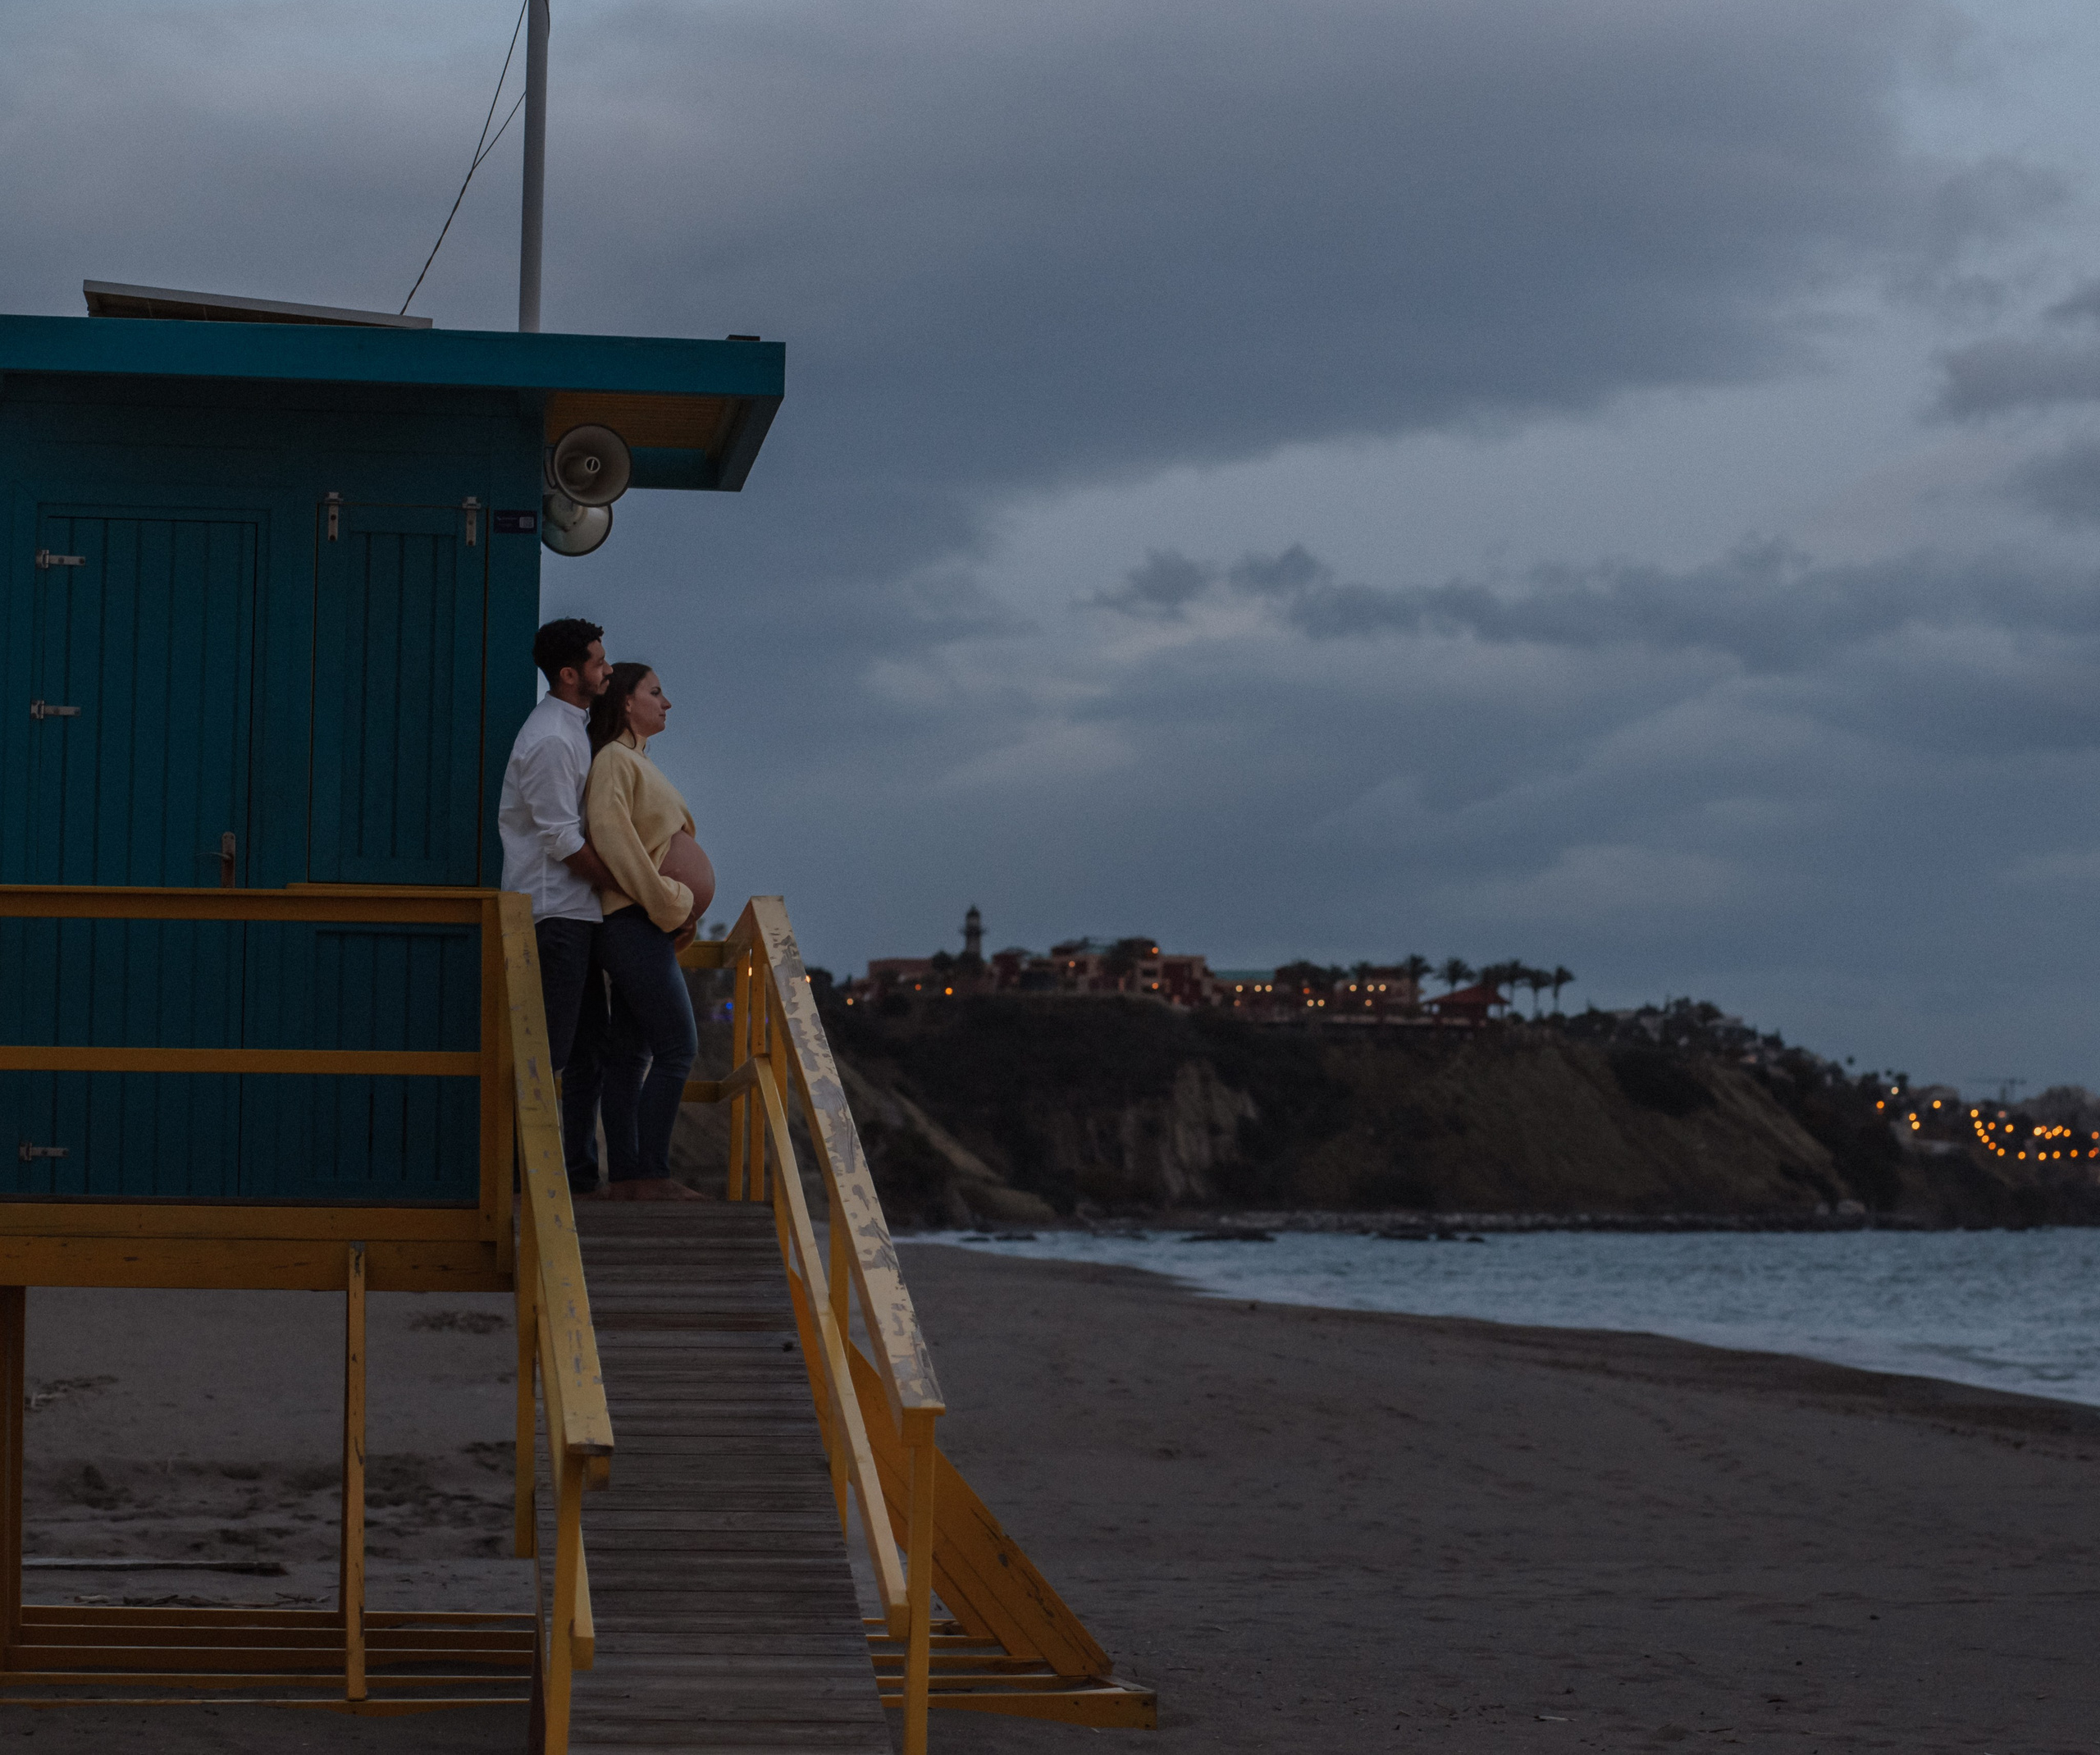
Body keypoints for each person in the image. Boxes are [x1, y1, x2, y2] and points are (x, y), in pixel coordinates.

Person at [585, 663, 712, 1200]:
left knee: (632, 1054)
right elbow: (616, 842)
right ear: (626, 701)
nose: (667, 702)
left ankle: (633, 1176)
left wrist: (680, 916)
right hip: (633, 921)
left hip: (648, 924)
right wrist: (670, 903)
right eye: (655, 692)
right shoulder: (614, 758)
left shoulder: (635, 761)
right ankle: (651, 1173)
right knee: (677, 1047)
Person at [498, 619, 616, 1197]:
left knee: (590, 1045)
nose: (608, 669)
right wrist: (631, 886)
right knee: (553, 1049)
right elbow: (561, 840)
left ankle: (576, 1171)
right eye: (598, 662)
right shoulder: (550, 738)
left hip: (579, 913)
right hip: (554, 913)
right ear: (569, 675)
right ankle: (531, 1176)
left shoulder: (574, 728)